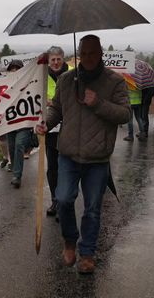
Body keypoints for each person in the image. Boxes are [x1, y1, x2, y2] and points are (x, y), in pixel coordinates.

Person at [36, 35, 131, 274]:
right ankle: (70, 240)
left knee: (92, 209)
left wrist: (98, 103)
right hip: (67, 153)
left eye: (93, 52)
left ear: (100, 53)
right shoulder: (67, 80)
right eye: (84, 52)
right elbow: (57, 108)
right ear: (79, 52)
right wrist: (46, 123)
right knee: (64, 199)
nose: (88, 57)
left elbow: (125, 114)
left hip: (97, 158)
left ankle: (87, 253)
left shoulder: (115, 82)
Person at [45, 46, 70, 218]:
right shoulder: (41, 77)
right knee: (52, 168)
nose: (55, 62)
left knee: (66, 167)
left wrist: (55, 103)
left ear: (63, 59)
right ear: (48, 61)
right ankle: (55, 199)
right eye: (52, 59)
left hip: (68, 129)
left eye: (58, 59)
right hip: (50, 127)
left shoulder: (73, 75)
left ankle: (64, 201)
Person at [6, 59, 33, 188]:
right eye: (12, 69)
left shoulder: (30, 84)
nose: (14, 71)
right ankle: (14, 165)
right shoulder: (4, 86)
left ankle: (17, 176)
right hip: (9, 122)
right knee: (11, 146)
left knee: (19, 144)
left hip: (23, 122)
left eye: (17, 69)